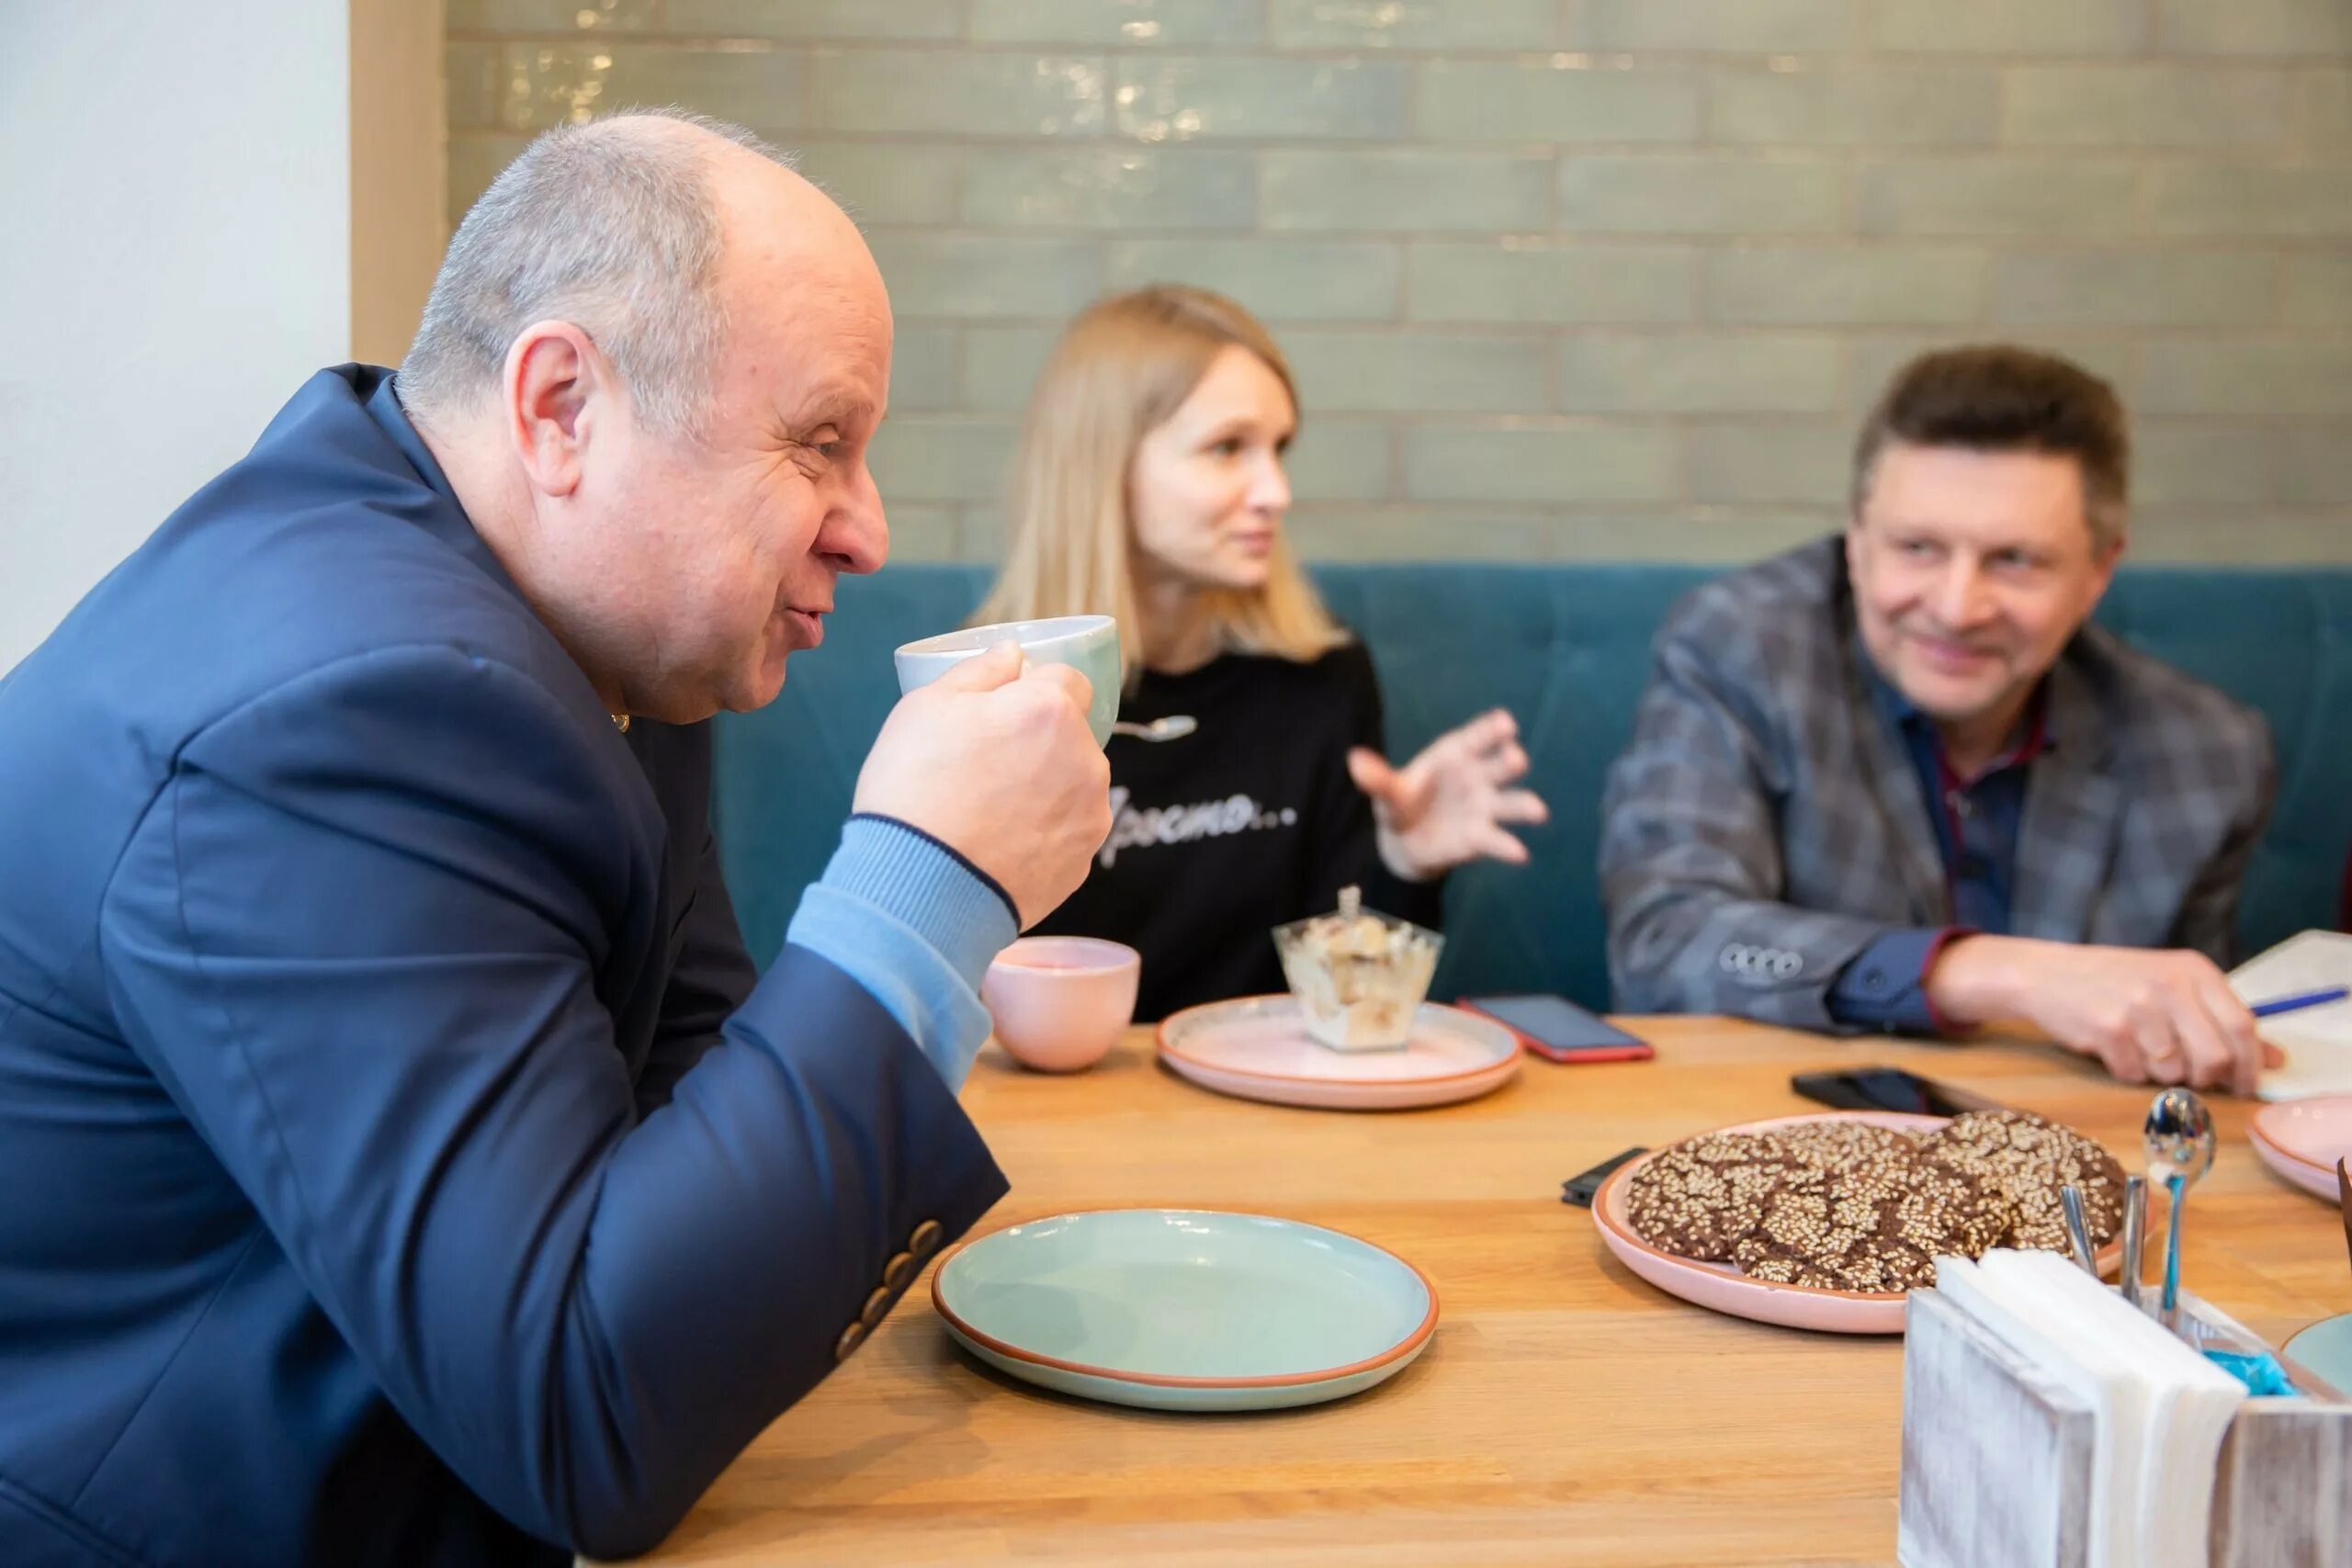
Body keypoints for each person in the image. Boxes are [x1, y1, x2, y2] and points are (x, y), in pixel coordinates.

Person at [0, 112, 1110, 1566]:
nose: (869, 530)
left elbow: (679, 1117)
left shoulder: (585, 640)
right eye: (820, 444)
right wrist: (929, 882)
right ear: (562, 405)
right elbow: (587, 1410)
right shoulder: (355, 711)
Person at [1601, 345, 2281, 1093]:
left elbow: (2189, 1071)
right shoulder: (1740, 649)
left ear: (2098, 572)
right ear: (1856, 543)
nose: (1958, 608)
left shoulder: (2209, 756)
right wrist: (1997, 971)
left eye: (2016, 559)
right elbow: (1664, 941)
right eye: (1918, 547)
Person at [976, 286, 1546, 1021]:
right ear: (1105, 466)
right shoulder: (997, 699)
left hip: (1274, 1107)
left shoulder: (1322, 678)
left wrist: (1402, 866)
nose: (1274, 490)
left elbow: (1350, 1006)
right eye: (1227, 448)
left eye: (1278, 450)